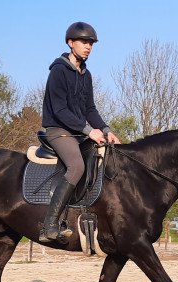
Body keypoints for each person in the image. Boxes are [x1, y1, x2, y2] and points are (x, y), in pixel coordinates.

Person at [39, 21, 120, 243]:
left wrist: (105, 130)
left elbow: (89, 109)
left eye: (91, 43)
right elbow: (60, 110)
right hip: (58, 130)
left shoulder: (86, 75)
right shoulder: (58, 70)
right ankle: (49, 226)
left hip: (77, 132)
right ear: (70, 43)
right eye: (84, 42)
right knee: (76, 166)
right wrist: (88, 130)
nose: (88, 47)